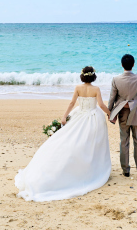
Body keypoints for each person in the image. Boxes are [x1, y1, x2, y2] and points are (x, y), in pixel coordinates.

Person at [15, 66, 112, 201]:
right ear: (93, 76)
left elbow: (72, 103)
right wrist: (110, 114)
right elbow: (101, 105)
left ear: (83, 76)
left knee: (72, 140)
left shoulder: (78, 87)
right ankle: (92, 167)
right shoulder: (96, 89)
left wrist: (64, 116)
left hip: (80, 115)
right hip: (93, 117)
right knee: (92, 142)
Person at [107, 54, 137, 177]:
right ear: (133, 64)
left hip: (122, 114)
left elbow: (112, 97)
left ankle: (125, 170)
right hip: (136, 112)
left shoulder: (116, 79)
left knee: (124, 141)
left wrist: (109, 112)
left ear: (122, 65)